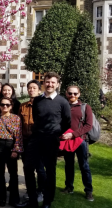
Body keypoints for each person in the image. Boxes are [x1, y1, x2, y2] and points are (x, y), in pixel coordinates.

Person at [25, 72, 71, 208]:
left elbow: (67, 122)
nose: (50, 84)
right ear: (44, 83)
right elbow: (36, 117)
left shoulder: (62, 102)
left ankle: (47, 200)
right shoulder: (38, 100)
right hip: (36, 139)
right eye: (47, 82)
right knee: (28, 168)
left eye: (53, 82)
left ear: (57, 84)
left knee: (50, 170)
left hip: (51, 140)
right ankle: (32, 200)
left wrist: (55, 133)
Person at [0, 98, 25, 207]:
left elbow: (19, 135)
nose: (5, 107)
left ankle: (14, 198)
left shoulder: (16, 118)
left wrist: (16, 149)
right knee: (1, 174)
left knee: (13, 174)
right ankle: (2, 198)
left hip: (10, 145)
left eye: (7, 105)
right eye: (3, 105)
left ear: (11, 106)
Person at [61, 85, 94, 201]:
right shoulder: (63, 106)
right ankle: (69, 187)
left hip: (81, 141)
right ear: (66, 93)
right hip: (67, 141)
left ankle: (88, 191)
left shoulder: (85, 107)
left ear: (79, 94)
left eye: (75, 93)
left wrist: (74, 134)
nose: (72, 96)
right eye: (70, 93)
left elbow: (88, 125)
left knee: (84, 166)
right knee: (68, 165)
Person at [19, 80, 46, 204]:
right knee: (27, 168)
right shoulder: (23, 106)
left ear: (39, 90)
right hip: (25, 141)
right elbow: (19, 125)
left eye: (34, 88)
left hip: (39, 142)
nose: (31, 90)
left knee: (40, 168)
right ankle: (31, 192)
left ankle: (41, 191)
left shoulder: (44, 105)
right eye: (29, 88)